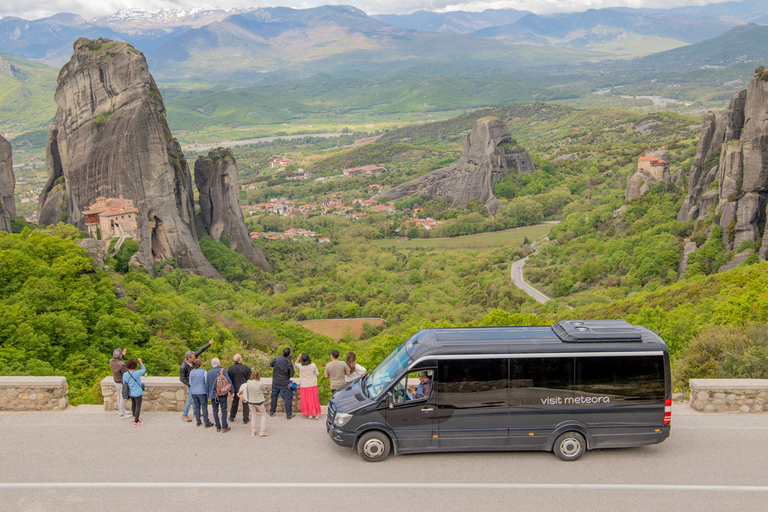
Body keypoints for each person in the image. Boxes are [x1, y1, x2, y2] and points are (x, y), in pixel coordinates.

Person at [179, 339, 214, 422]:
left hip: (194, 383)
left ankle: (196, 412)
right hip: (191, 384)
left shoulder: (192, 360)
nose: (195, 357)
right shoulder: (183, 367)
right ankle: (184, 415)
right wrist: (190, 384)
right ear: (189, 358)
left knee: (195, 400)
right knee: (191, 400)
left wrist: (208, 344)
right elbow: (182, 378)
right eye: (193, 356)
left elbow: (200, 350)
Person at [207, 358, 234, 432]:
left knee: (215, 410)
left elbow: (207, 385)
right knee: (224, 410)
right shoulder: (223, 370)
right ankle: (224, 427)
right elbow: (229, 381)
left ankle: (218, 426)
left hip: (213, 394)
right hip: (222, 393)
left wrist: (208, 395)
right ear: (219, 363)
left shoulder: (209, 373)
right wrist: (232, 391)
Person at [239, 371, 268, 437]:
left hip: (251, 401)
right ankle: (263, 430)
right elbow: (264, 388)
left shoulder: (248, 383)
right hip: (259, 401)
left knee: (253, 415)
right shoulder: (260, 383)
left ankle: (253, 431)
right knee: (263, 414)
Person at [269, 347, 295, 419]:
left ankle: (272, 411)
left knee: (274, 396)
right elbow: (292, 374)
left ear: (282, 352)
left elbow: (271, 364)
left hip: (276, 381)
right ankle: (288, 414)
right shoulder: (289, 362)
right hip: (284, 382)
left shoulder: (277, 359)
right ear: (289, 354)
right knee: (287, 398)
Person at [294, 353, 321, 419]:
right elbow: (317, 373)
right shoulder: (313, 365)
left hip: (304, 385)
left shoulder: (301, 366)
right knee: (314, 399)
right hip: (312, 384)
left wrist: (298, 357)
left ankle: (310, 414)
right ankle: (316, 414)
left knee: (307, 400)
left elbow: (295, 363)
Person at [228, 354, 252, 425]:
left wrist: (230, 390)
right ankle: (245, 418)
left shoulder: (231, 368)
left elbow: (229, 380)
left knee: (235, 403)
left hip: (235, 388)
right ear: (240, 360)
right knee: (245, 403)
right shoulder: (245, 368)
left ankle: (232, 416)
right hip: (243, 388)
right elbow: (249, 378)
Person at [189, 359, 213, 428]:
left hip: (193, 391)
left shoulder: (192, 372)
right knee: (204, 406)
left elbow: (190, 382)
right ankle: (206, 422)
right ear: (200, 364)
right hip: (202, 391)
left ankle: (198, 421)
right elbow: (206, 381)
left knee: (197, 406)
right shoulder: (203, 372)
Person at [109, 347, 130, 419]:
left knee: (118, 396)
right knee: (123, 398)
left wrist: (123, 353)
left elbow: (119, 358)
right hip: (121, 382)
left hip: (115, 381)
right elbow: (127, 372)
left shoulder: (111, 361)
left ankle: (122, 410)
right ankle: (122, 414)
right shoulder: (121, 364)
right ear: (120, 356)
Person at [123, 358, 146, 426]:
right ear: (135, 366)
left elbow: (124, 383)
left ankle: (134, 416)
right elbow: (144, 370)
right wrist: (140, 362)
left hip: (131, 392)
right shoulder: (137, 373)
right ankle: (137, 421)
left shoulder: (125, 374)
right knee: (138, 406)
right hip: (138, 392)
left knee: (133, 404)